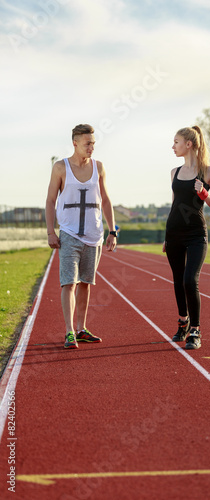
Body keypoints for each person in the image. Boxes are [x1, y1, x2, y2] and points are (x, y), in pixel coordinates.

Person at [45, 124, 118, 349]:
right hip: (68, 234)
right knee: (69, 283)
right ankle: (69, 332)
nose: (91, 147)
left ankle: (81, 328)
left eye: (94, 143)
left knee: (86, 282)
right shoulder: (60, 167)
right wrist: (50, 231)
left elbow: (105, 200)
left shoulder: (99, 167)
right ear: (75, 143)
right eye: (88, 143)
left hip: (94, 235)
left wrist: (112, 230)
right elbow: (50, 201)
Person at [163, 126, 210, 350]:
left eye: (176, 142)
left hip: (196, 234)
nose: (173, 146)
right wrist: (167, 237)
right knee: (178, 281)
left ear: (188, 144)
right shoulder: (174, 172)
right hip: (174, 232)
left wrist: (204, 194)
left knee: (190, 280)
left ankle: (195, 330)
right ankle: (183, 322)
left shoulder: (207, 171)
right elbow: (174, 204)